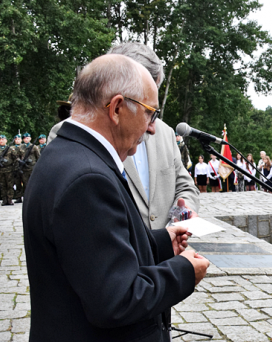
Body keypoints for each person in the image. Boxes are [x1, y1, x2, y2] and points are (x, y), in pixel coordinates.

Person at [20, 54, 210, 342]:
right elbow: (117, 299)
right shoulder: (87, 175)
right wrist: (185, 271)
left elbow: (97, 249)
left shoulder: (70, 155)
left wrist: (161, 241)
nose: (150, 129)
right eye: (150, 113)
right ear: (117, 107)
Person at [49, 42, 200, 228]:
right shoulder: (71, 134)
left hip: (164, 253)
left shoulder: (165, 133)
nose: (151, 125)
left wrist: (180, 215)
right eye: (146, 105)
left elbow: (185, 186)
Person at [19, 132, 41, 201]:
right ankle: (26, 198)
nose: (26, 139)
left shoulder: (34, 147)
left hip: (32, 168)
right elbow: (17, 156)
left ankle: (34, 197)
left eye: (27, 138)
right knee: (25, 183)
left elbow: (38, 157)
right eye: (24, 138)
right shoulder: (21, 147)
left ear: (30, 138)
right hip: (24, 168)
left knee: (33, 183)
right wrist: (20, 161)